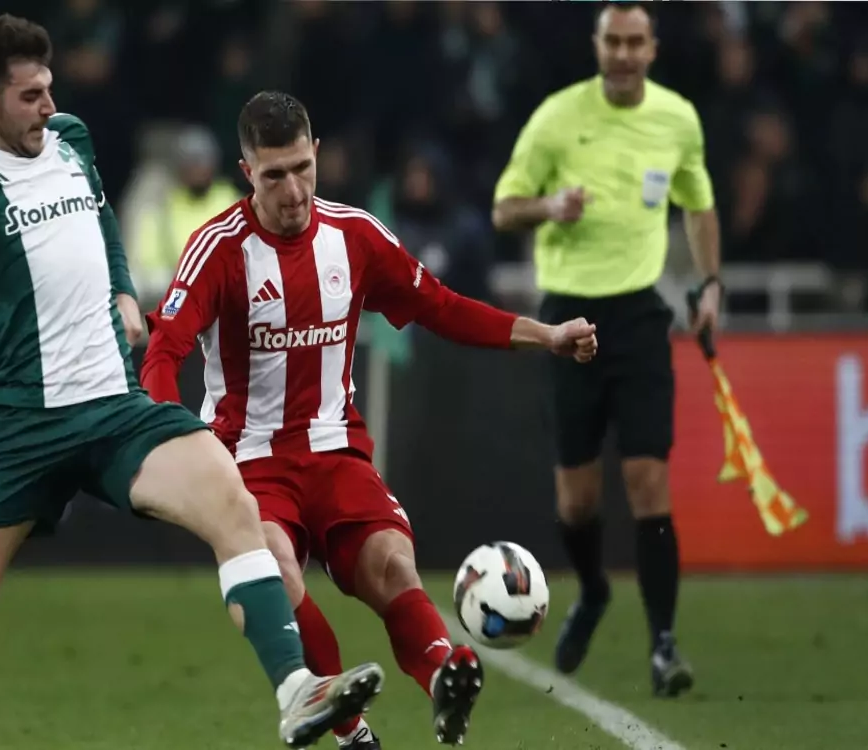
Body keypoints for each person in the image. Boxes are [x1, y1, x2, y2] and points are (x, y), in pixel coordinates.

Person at [0, 16, 384, 750]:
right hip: (20, 424)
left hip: (114, 408)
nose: (48, 106)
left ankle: (296, 691)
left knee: (233, 504)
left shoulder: (70, 138)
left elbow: (102, 215)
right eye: (30, 96)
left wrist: (121, 287)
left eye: (49, 89)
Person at [141, 91, 598, 748]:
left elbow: (443, 307)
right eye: (274, 175)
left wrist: (546, 335)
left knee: (391, 563)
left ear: (317, 153)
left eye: (302, 168)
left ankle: (443, 674)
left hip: (336, 452)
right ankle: (351, 731)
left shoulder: (355, 236)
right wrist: (171, 436)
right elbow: (165, 349)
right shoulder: (217, 248)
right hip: (249, 462)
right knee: (274, 569)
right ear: (247, 172)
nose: (293, 191)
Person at [490, 2, 722, 698]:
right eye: (612, 41)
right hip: (569, 318)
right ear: (597, 46)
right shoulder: (557, 117)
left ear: (653, 48)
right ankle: (593, 589)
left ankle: (664, 644)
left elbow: (698, 204)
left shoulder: (677, 119)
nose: (622, 53)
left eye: (634, 41)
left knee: (649, 479)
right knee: (577, 499)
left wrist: (710, 284)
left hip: (641, 316)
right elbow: (504, 206)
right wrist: (548, 206)